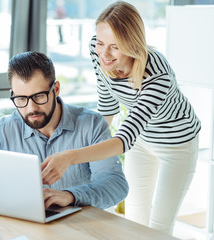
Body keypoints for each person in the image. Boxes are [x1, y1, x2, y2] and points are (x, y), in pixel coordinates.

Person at [41, 1, 201, 234]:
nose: (104, 54)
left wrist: (69, 157)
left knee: (159, 227)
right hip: (142, 141)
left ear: (132, 45)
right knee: (134, 219)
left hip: (177, 145)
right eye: (101, 42)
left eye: (115, 47)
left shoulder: (157, 74)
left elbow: (123, 140)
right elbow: (107, 106)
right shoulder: (98, 51)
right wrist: (87, 156)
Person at [0, 51, 128, 210]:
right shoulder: (5, 130)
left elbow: (115, 184)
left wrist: (70, 196)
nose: (30, 108)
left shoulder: (91, 125)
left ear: (56, 89)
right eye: (21, 99)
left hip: (77, 227)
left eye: (39, 96)